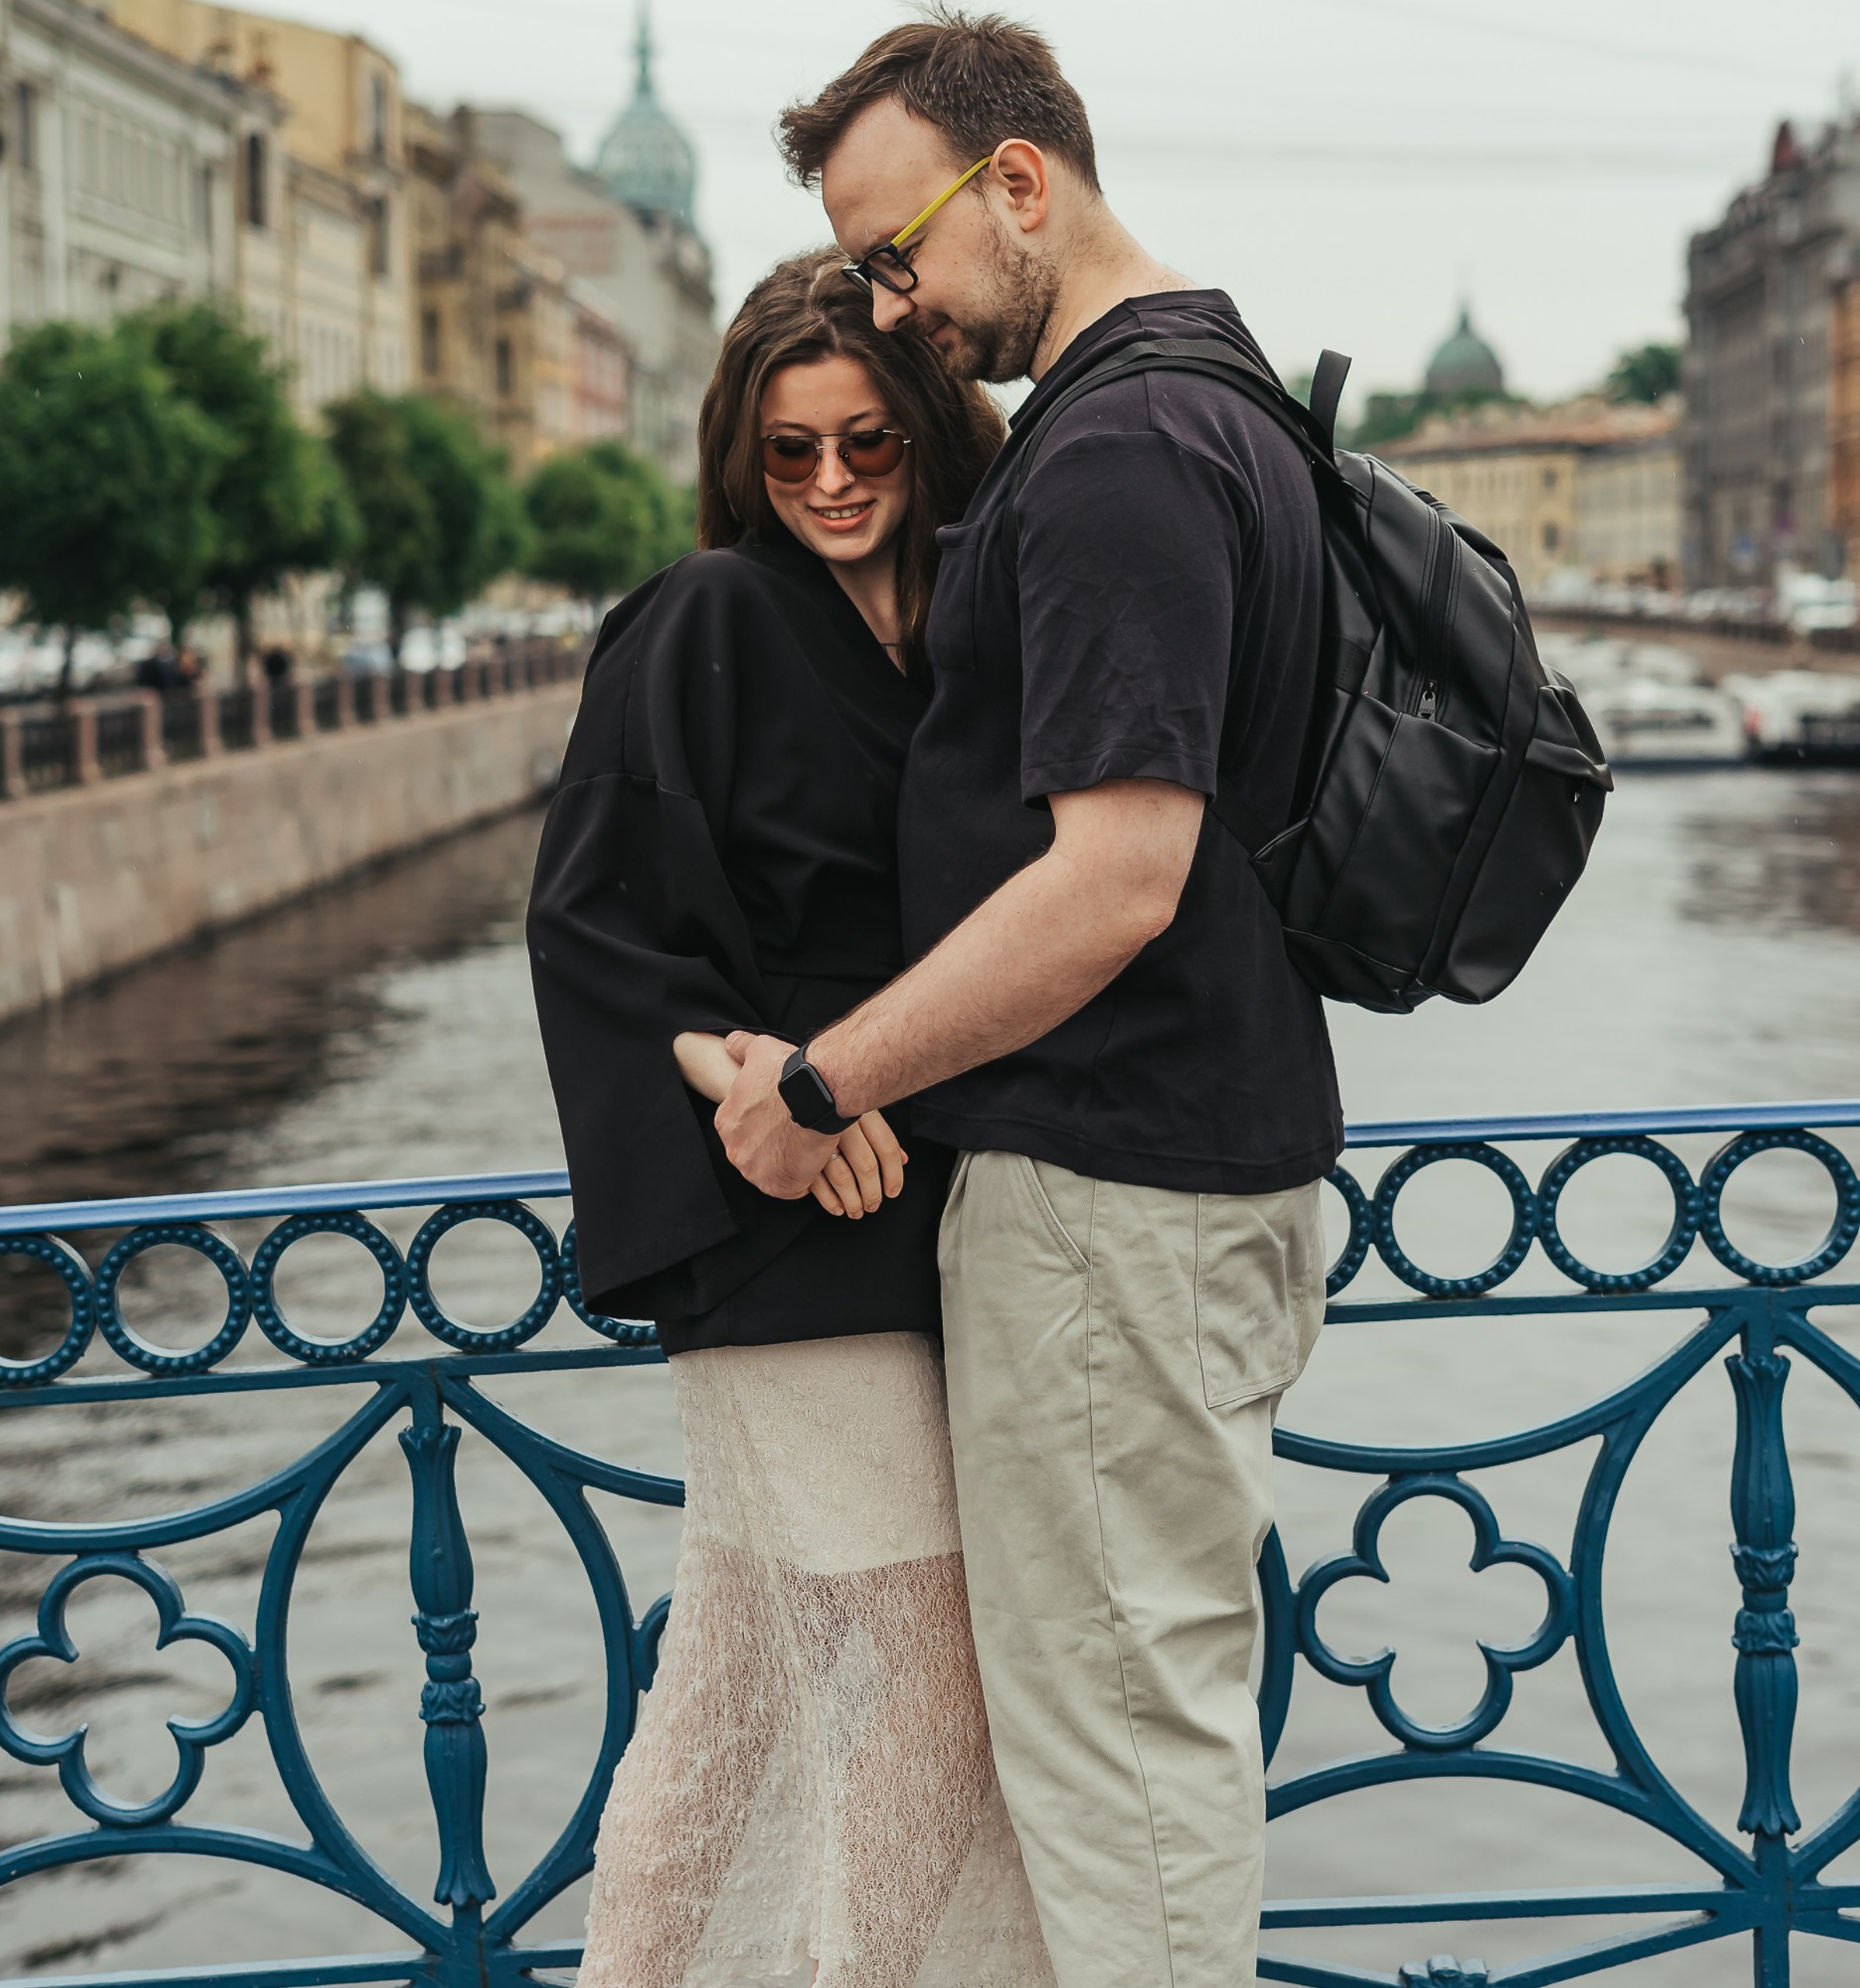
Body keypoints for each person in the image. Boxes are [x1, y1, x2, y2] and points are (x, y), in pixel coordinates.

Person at [712, 14, 1344, 1987]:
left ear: (1015, 181)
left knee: (1116, 1768)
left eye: (893, 246)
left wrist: (822, 1082)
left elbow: (1111, 878)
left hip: (1105, 1198)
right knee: (1145, 1728)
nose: (889, 301)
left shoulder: (1117, 448)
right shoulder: (1227, 396)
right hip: (1183, 1176)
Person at [527, 250, 1053, 1987]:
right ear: (738, 460)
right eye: (786, 452)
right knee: (928, 1666)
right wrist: (756, 1074)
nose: (828, 482)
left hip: (937, 1218)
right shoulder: (705, 616)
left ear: (926, 434)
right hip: (780, 1213)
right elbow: (590, 924)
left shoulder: (977, 623)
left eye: (866, 445)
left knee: (739, 1684)